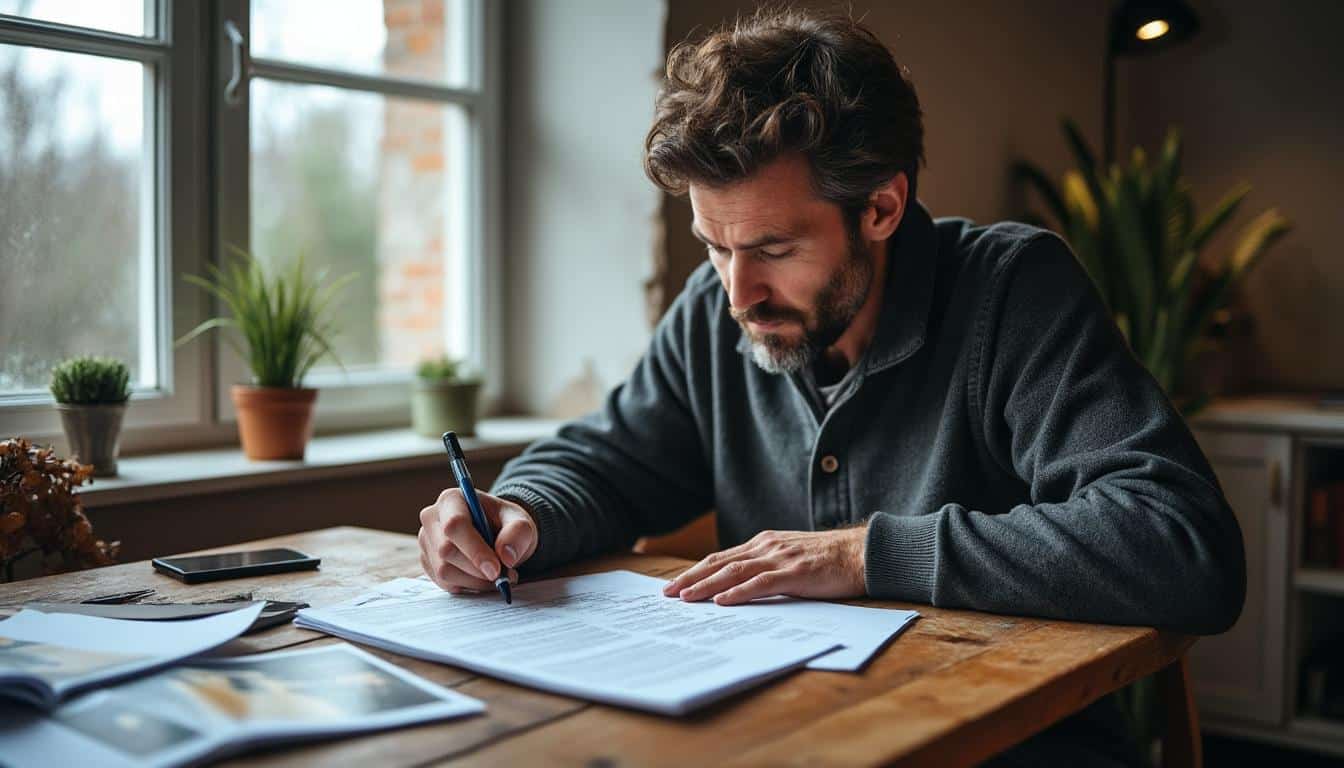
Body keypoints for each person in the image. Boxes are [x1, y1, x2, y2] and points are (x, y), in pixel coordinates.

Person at [417, 8, 1245, 765]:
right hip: (796, 738)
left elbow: (1181, 543)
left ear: (882, 207)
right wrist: (517, 510)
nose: (737, 292)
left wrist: (861, 554)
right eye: (714, 245)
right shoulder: (718, 309)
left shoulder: (1012, 291)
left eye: (773, 249)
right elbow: (612, 457)